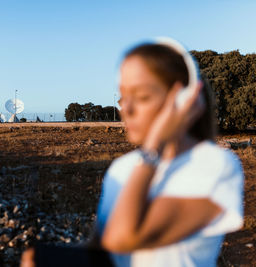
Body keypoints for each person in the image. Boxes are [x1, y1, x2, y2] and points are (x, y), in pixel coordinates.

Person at [21, 39, 244, 267]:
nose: (125, 109)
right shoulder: (124, 167)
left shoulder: (215, 166)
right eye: (123, 97)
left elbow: (122, 237)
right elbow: (101, 250)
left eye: (142, 97)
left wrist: (153, 149)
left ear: (183, 99)